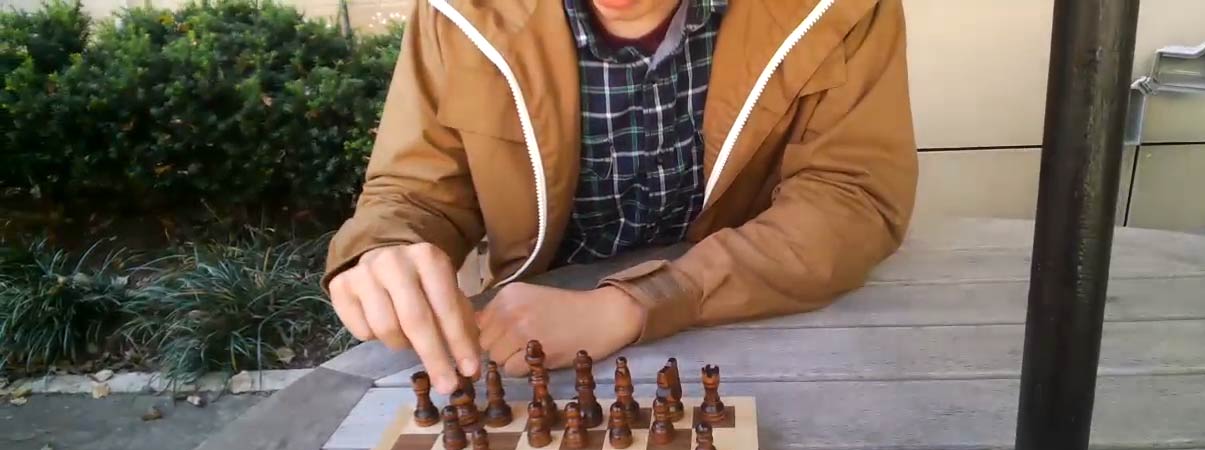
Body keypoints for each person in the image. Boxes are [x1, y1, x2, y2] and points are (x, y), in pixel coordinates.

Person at [324, 0, 918, 395]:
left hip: (758, 328)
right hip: (534, 350)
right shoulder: (460, 11)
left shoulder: (840, 8)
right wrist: (383, 246)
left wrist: (631, 305)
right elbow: (414, 190)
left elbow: (852, 196)